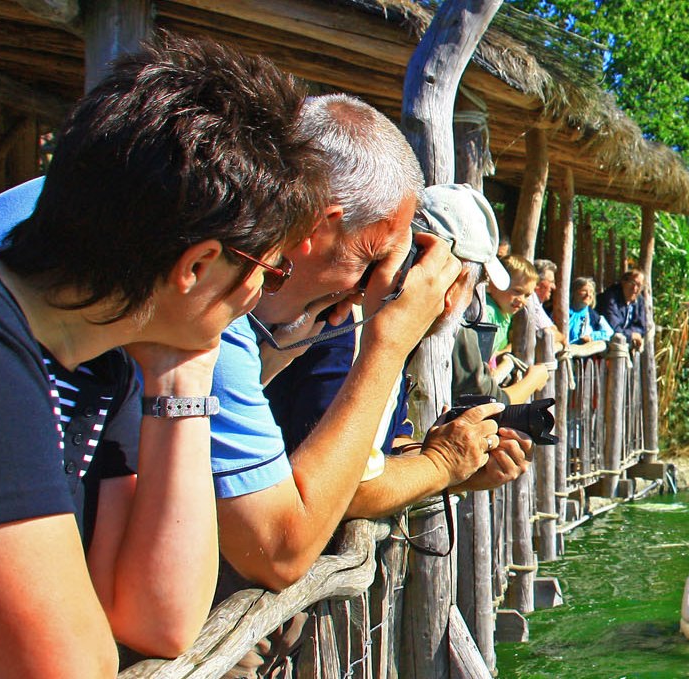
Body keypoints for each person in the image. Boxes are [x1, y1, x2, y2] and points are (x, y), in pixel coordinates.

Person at [0, 35, 327, 677]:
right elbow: (66, 668)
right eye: (270, 272)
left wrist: (186, 370)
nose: (258, 296)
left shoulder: (106, 362)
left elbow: (159, 618)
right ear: (196, 265)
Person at [203, 93, 529, 592]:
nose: (363, 284)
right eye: (374, 254)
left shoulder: (293, 315)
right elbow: (324, 502)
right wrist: (439, 465)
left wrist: (455, 459)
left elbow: (374, 452)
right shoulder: (309, 322)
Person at [598, 269, 650, 349]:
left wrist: (635, 334)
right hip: (604, 344)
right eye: (632, 283)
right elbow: (613, 328)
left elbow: (641, 326)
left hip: (622, 344)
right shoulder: (611, 298)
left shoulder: (639, 300)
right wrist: (632, 335)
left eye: (639, 285)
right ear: (623, 282)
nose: (635, 288)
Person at [568, 276, 615, 344]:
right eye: (584, 291)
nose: (588, 294)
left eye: (591, 292)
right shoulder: (562, 311)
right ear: (574, 293)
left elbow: (609, 332)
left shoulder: (592, 315)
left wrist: (591, 336)